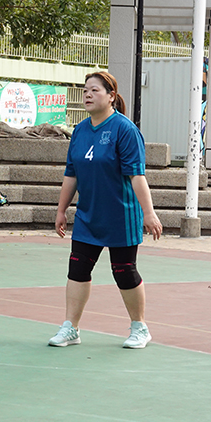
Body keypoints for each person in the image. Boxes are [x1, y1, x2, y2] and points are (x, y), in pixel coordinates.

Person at [49, 71, 162, 350]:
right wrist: (61, 210)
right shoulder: (80, 131)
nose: (88, 95)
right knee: (77, 269)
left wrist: (149, 213)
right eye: (85, 90)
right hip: (88, 216)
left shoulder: (125, 130)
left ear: (111, 96)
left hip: (120, 216)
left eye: (95, 90)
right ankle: (71, 328)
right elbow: (71, 174)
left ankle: (140, 327)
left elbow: (137, 176)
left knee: (124, 271)